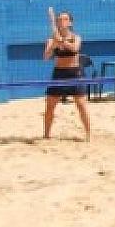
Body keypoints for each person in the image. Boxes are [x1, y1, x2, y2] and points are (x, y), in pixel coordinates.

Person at [43, 8, 92, 141]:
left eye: (65, 19)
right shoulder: (52, 40)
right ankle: (46, 135)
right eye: (59, 19)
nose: (61, 21)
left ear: (70, 22)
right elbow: (45, 57)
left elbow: (75, 48)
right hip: (59, 74)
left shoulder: (76, 37)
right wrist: (54, 44)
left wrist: (62, 41)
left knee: (81, 105)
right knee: (50, 106)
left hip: (74, 73)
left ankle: (88, 134)